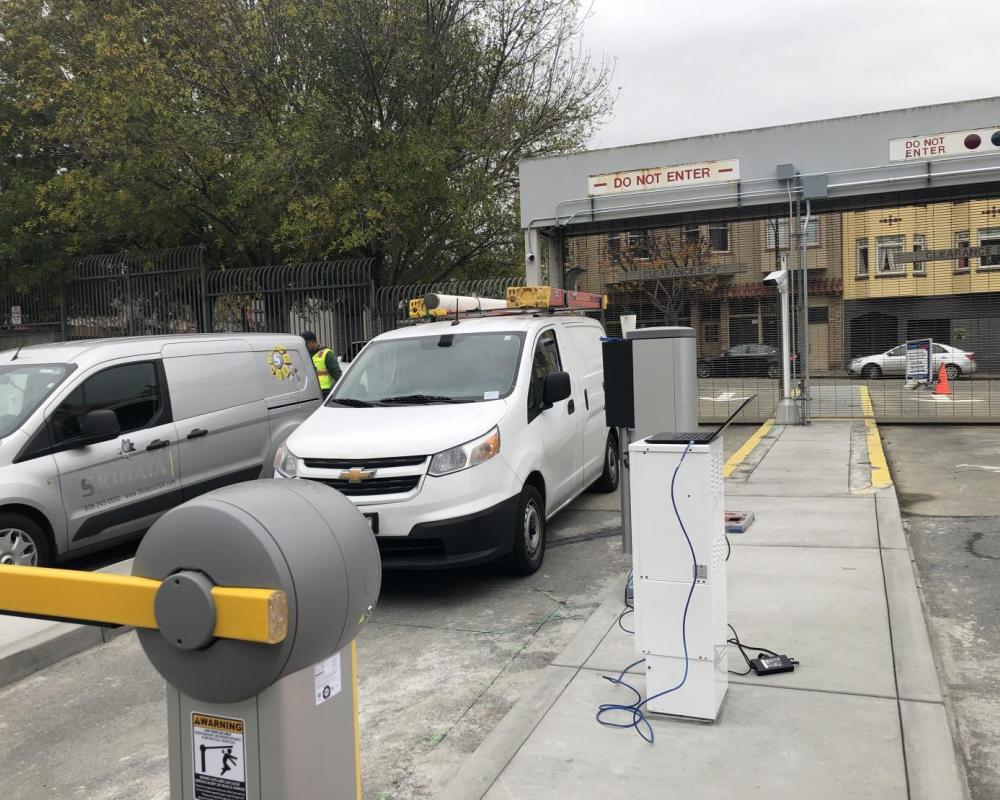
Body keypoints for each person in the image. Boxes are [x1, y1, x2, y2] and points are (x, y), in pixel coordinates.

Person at [302, 331, 341, 398]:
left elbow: (338, 375)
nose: (304, 346)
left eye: (306, 344)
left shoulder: (327, 354)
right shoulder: (306, 355)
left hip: (325, 392)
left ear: (313, 341)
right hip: (310, 392)